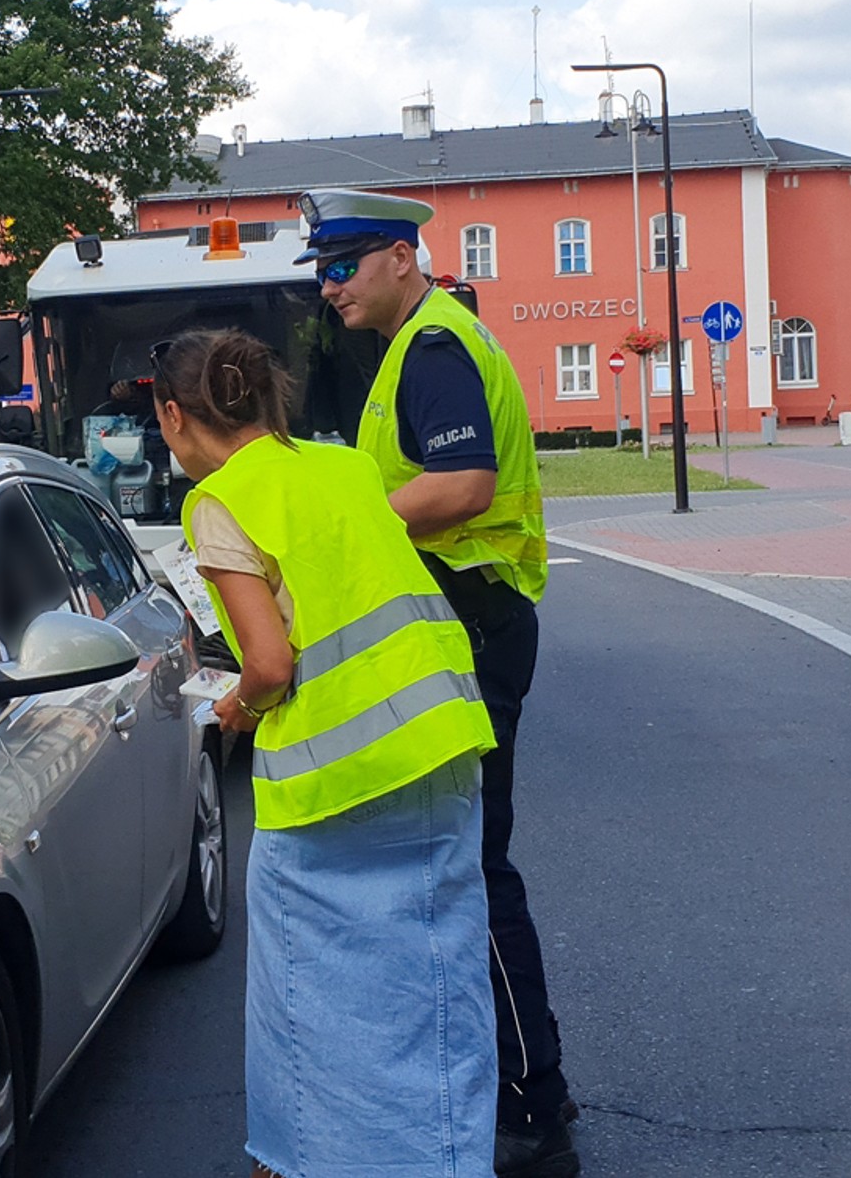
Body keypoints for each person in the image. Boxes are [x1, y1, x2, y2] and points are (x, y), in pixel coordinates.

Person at [152, 329, 499, 1178]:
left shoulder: (220, 501)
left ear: (172, 415)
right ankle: (450, 1162)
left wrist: (236, 706)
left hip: (333, 786)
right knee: (441, 981)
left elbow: (270, 663)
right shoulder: (345, 467)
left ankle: (327, 1163)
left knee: (319, 1003)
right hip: (444, 742)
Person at [295, 188, 573, 1177]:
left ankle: (531, 1112)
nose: (326, 288)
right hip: (464, 631)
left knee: (470, 872)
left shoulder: (434, 346)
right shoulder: (413, 345)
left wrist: (339, 538)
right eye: (319, 271)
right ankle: (503, 1092)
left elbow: (462, 487)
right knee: (458, 867)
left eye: (341, 266)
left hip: (474, 628)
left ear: (401, 258)